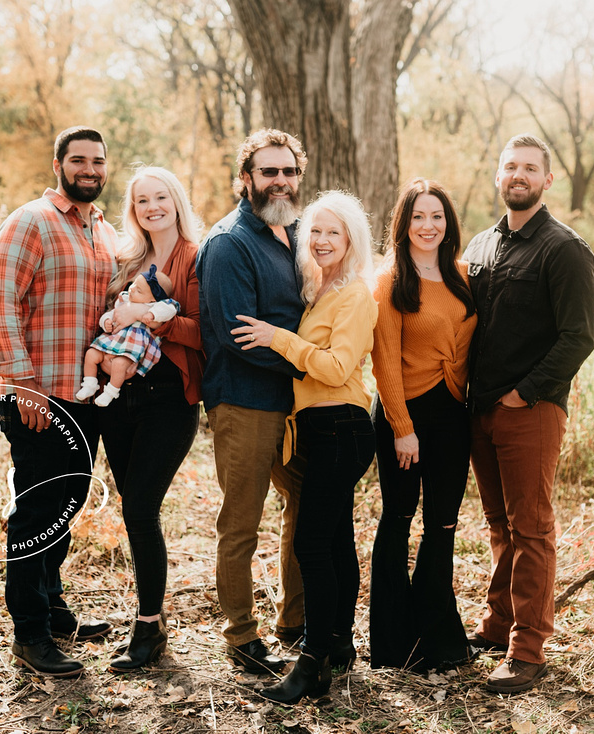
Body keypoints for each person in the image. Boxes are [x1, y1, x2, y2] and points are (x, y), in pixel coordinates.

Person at [231, 191, 378, 704]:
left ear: (351, 240)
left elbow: (337, 368)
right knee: (335, 540)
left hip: (344, 427)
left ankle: (311, 664)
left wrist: (278, 338)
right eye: (314, 231)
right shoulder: (320, 290)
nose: (320, 240)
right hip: (321, 430)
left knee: (311, 545)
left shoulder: (355, 295)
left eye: (332, 232)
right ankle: (339, 644)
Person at [464, 134, 594, 694]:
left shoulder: (564, 250)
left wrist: (525, 393)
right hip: (479, 409)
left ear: (547, 180)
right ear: (499, 176)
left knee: (532, 528)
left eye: (530, 168)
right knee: (499, 525)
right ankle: (498, 625)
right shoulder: (480, 245)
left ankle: (527, 650)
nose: (518, 175)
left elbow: (579, 338)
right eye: (509, 166)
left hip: (531, 409)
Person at [0, 125, 117, 677]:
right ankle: (30, 633)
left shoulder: (104, 231)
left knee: (66, 507)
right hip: (39, 396)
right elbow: (0, 303)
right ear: (59, 164)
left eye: (99, 161)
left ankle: (53, 605)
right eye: (79, 160)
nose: (90, 169)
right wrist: (24, 385)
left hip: (85, 398)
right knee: (37, 512)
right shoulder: (31, 221)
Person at [196, 128, 309, 674]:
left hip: (296, 402)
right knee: (242, 521)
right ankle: (241, 635)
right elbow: (239, 336)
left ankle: (295, 619)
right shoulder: (229, 243)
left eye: (289, 172)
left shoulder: (293, 234)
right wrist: (311, 357)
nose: (280, 181)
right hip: (244, 402)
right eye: (269, 172)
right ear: (246, 179)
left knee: (305, 505)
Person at [96, 166, 206, 674]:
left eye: (161, 196)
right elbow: (106, 317)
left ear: (176, 200)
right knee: (133, 510)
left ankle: (148, 626)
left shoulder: (197, 255)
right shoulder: (125, 259)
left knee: (141, 508)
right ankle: (149, 620)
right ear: (133, 209)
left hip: (168, 397)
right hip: (118, 397)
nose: (152, 206)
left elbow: (205, 333)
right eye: (142, 200)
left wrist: (145, 315)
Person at [369, 178, 477, 672]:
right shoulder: (391, 279)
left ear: (448, 223)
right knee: (397, 518)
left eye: (436, 216)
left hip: (453, 413)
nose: (428, 226)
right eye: (418, 217)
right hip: (404, 413)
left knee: (443, 523)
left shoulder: (463, 274)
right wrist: (401, 426)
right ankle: (394, 643)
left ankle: (439, 637)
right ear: (403, 223)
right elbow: (385, 358)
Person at [75, 265, 179, 406]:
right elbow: (112, 313)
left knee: (119, 364)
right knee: (91, 354)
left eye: (138, 290)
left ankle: (111, 392)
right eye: (134, 284)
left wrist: (151, 314)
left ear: (152, 300)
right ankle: (89, 383)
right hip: (113, 341)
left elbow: (169, 310)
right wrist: (106, 321)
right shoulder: (124, 300)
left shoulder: (155, 307)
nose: (131, 289)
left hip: (133, 346)